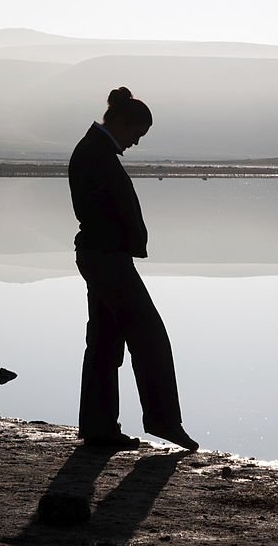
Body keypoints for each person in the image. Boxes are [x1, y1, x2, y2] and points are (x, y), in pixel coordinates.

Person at [68, 86, 198, 451]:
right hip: (106, 259)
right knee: (149, 336)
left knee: (105, 343)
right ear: (123, 123)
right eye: (137, 134)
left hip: (102, 256)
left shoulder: (95, 150)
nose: (136, 143)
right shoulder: (95, 153)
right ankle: (162, 420)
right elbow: (102, 212)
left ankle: (98, 428)